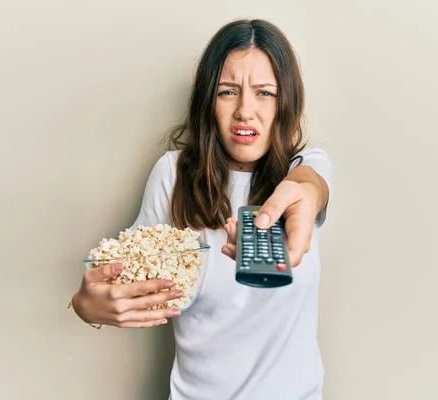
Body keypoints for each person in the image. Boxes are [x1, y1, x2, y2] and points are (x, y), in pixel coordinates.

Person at [71, 18, 333, 400]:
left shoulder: (304, 167)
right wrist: (85, 305)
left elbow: (311, 186)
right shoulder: (172, 175)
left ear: (285, 102)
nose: (245, 111)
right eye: (228, 92)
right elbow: (123, 278)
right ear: (209, 100)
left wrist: (300, 195)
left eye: (264, 93)